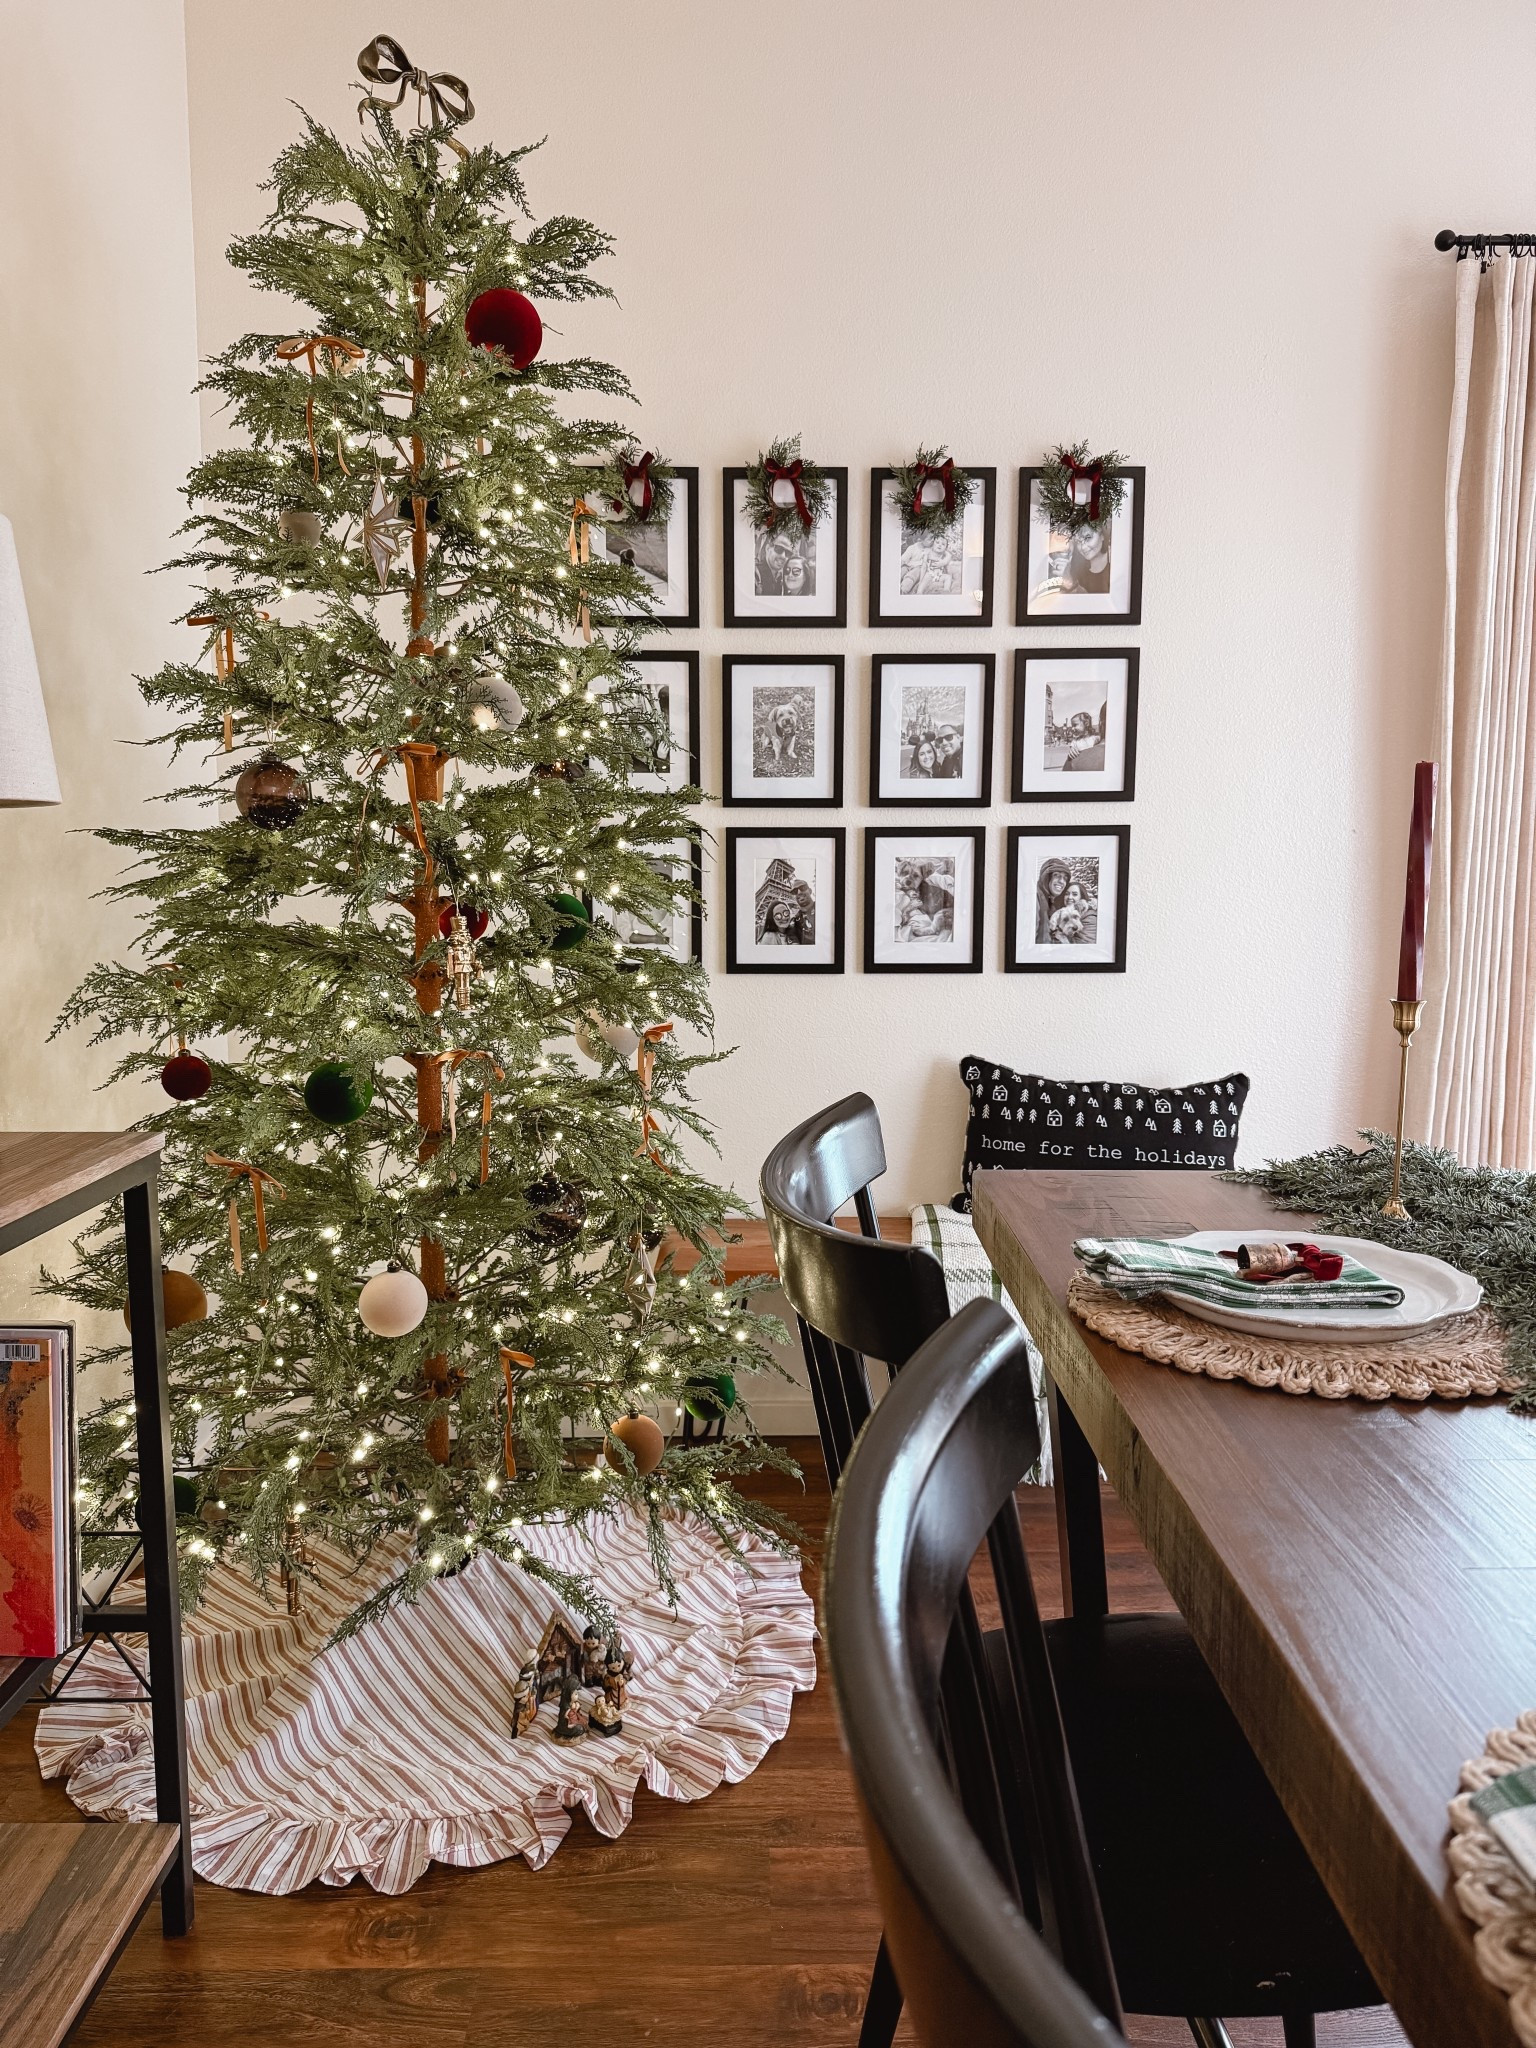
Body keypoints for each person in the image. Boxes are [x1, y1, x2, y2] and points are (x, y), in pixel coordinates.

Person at [755, 700, 805, 777]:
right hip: (772, 735)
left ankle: (790, 751)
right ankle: (777, 756)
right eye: (781, 715)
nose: (787, 718)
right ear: (775, 719)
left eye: (791, 713)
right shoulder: (774, 730)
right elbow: (776, 743)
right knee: (770, 744)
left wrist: (790, 751)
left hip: (787, 735)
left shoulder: (793, 729)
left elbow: (792, 740)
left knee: (790, 740)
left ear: (796, 715)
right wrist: (777, 757)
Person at [1060, 522, 1111, 595]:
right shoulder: (1076, 570)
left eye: (1088, 538)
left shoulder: (1115, 560)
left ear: (1102, 535)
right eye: (1078, 541)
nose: (1083, 547)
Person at [1035, 857, 1072, 944]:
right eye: (1056, 875)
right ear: (1046, 878)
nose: (1061, 881)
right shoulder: (1035, 899)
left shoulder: (1053, 903)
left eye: (1065, 878)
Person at [1060, 706, 1106, 774]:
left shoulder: (1096, 738)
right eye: (1072, 726)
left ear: (1086, 723)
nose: (1072, 728)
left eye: (1075, 725)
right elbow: (1071, 754)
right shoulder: (1075, 742)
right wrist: (1071, 751)